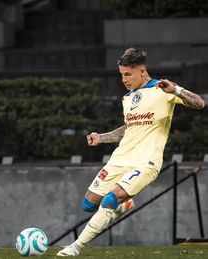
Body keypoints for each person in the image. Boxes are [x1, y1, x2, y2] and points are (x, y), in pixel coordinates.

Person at [57, 47, 205, 256]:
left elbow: (200, 103)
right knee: (88, 205)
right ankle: (123, 205)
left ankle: (75, 247)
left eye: (128, 74)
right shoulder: (128, 98)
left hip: (146, 162)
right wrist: (102, 137)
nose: (124, 80)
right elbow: (129, 128)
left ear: (142, 71)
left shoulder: (163, 90)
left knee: (110, 198)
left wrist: (177, 90)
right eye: (122, 75)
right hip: (120, 159)